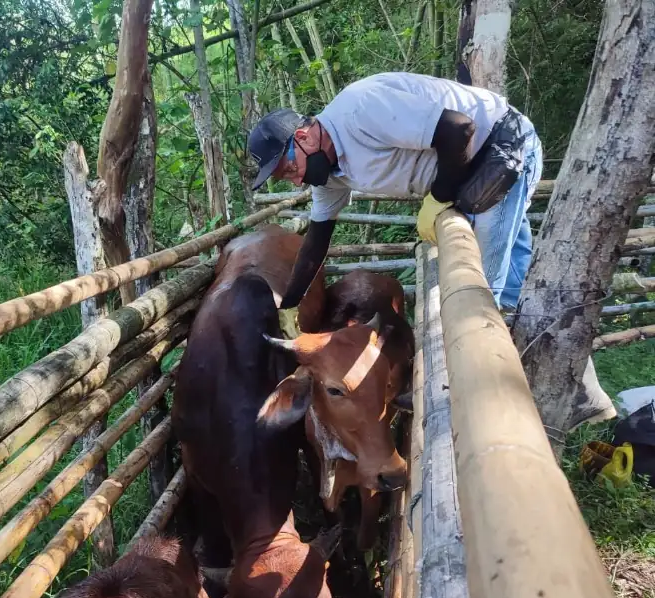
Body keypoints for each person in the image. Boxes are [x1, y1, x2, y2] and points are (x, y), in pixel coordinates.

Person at [248, 71, 614, 431]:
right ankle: (581, 390)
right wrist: (291, 303)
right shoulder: (331, 175)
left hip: (500, 147)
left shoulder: (361, 110)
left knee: (481, 287)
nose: (295, 179)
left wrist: (437, 199)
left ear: (303, 137)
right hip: (468, 173)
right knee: (520, 283)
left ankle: (471, 401)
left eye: (289, 168)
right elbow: (317, 239)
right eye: (286, 178)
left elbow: (459, 129)